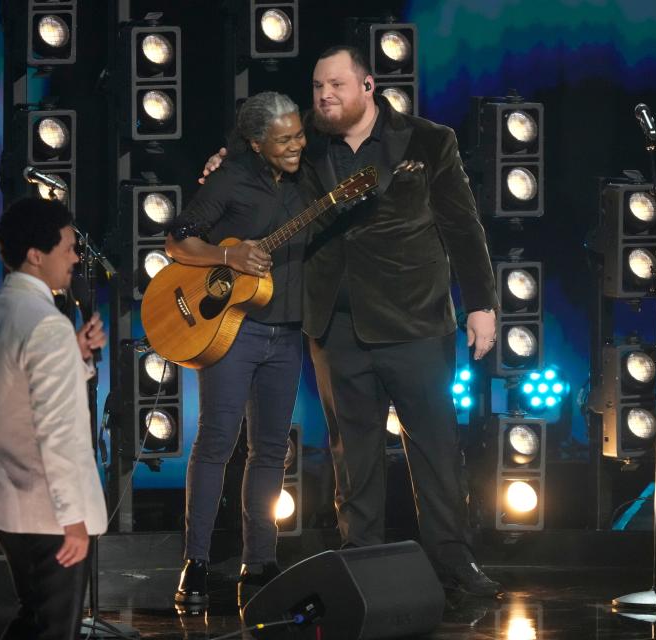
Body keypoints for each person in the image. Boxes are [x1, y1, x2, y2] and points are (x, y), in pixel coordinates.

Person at [203, 47, 502, 597]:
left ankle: (453, 565)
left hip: (415, 318)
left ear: (368, 85)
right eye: (318, 87)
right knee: (352, 450)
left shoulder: (429, 140)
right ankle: (363, 560)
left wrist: (482, 304)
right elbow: (254, 157)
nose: (324, 96)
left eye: (336, 85)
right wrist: (227, 162)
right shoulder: (305, 147)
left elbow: (463, 226)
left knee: (434, 446)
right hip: (337, 324)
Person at [166, 91, 308, 609]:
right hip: (232, 330)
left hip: (288, 330)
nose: (297, 144)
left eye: (299, 133)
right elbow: (178, 240)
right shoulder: (229, 178)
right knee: (217, 443)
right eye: (285, 138)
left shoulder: (306, 173)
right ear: (255, 142)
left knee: (271, 449)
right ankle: (196, 563)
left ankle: (260, 560)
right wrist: (229, 253)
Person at [0, 197, 109, 639]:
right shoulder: (45, 325)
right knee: (53, 630)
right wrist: (73, 521)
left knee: (32, 620)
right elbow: (57, 432)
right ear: (37, 254)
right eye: (69, 247)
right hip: (50, 512)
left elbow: (15, 389)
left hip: (8, 501)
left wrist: (76, 353)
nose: (75, 258)